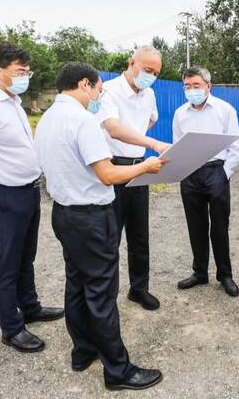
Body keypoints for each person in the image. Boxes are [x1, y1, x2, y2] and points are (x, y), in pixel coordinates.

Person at [35, 62, 167, 391]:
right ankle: (118, 370)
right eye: (98, 89)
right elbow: (107, 174)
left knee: (76, 284)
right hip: (91, 217)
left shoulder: (48, 118)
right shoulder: (83, 120)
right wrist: (145, 167)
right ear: (85, 84)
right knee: (101, 293)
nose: (99, 95)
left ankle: (83, 351)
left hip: (64, 213)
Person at [0, 43, 64, 353]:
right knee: (6, 263)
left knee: (25, 257)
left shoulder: (12, 102)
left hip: (28, 191)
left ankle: (29, 306)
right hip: (4, 196)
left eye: (27, 71)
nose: (26, 76)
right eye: (20, 71)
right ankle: (11, 326)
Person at [96, 45, 169, 311]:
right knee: (110, 237)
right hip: (114, 168)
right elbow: (114, 129)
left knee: (140, 235)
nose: (151, 76)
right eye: (147, 69)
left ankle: (139, 289)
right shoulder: (109, 91)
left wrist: (138, 143)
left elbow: (150, 119)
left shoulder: (149, 93)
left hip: (140, 167)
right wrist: (151, 143)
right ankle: (106, 297)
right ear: (132, 63)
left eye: (155, 72)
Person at [173, 66, 239, 297]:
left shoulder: (225, 110)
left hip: (216, 172)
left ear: (208, 86)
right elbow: (178, 148)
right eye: (187, 86)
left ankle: (225, 274)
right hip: (190, 174)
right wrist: (182, 172)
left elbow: (236, 147)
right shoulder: (180, 114)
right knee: (196, 226)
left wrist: (224, 175)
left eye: (196, 85)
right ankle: (199, 272)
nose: (192, 90)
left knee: (219, 227)